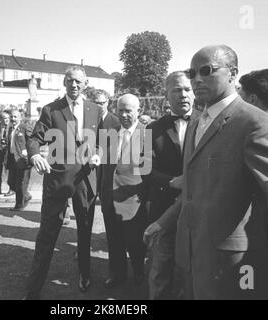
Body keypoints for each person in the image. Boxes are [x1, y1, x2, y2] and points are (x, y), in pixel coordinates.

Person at [144, 45, 268, 299]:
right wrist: (163, 223)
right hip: (190, 255)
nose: (196, 79)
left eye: (206, 70)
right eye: (192, 73)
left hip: (232, 264)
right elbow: (192, 189)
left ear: (233, 74)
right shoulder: (197, 123)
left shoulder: (254, 122)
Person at [25, 66, 101, 298]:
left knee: (85, 231)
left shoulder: (95, 110)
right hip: (57, 180)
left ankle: (85, 275)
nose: (74, 85)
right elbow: (35, 138)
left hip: (86, 180)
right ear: (64, 83)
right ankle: (33, 289)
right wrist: (35, 154)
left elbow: (100, 141)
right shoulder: (51, 109)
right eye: (70, 81)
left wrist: (98, 153)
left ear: (85, 83)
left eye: (78, 81)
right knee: (47, 235)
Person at [146, 71, 199, 300]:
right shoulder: (152, 129)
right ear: (166, 95)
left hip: (199, 212)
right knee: (160, 269)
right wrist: (170, 182)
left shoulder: (211, 123)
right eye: (176, 90)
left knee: (194, 273)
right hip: (163, 208)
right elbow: (144, 168)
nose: (183, 94)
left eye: (187, 89)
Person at [104, 94, 148, 288]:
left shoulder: (147, 134)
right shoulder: (111, 132)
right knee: (114, 241)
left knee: (134, 242)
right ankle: (117, 274)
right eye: (120, 110)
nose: (123, 114)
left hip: (133, 200)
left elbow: (149, 171)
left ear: (139, 111)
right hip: (109, 197)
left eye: (128, 110)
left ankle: (139, 273)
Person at [93, 89, 120, 286]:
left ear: (108, 102)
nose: (98, 106)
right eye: (95, 102)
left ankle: (121, 270)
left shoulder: (116, 123)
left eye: (102, 103)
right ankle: (83, 248)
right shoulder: (86, 121)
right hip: (90, 175)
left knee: (114, 228)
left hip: (109, 180)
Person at [6, 109, 33, 211]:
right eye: (11, 117)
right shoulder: (10, 129)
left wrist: (28, 152)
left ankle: (19, 205)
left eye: (15, 117)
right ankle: (26, 195)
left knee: (21, 183)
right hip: (13, 159)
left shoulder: (25, 128)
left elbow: (32, 141)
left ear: (20, 118)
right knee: (11, 182)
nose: (13, 119)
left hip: (23, 160)